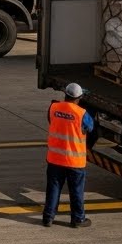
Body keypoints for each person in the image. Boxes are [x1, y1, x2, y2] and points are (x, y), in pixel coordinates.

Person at [42, 83, 94, 228]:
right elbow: (90, 127)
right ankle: (78, 219)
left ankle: (48, 218)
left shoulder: (53, 108)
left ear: (65, 94)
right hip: (74, 161)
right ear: (79, 98)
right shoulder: (82, 114)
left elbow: (51, 120)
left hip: (55, 159)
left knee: (53, 188)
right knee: (76, 190)